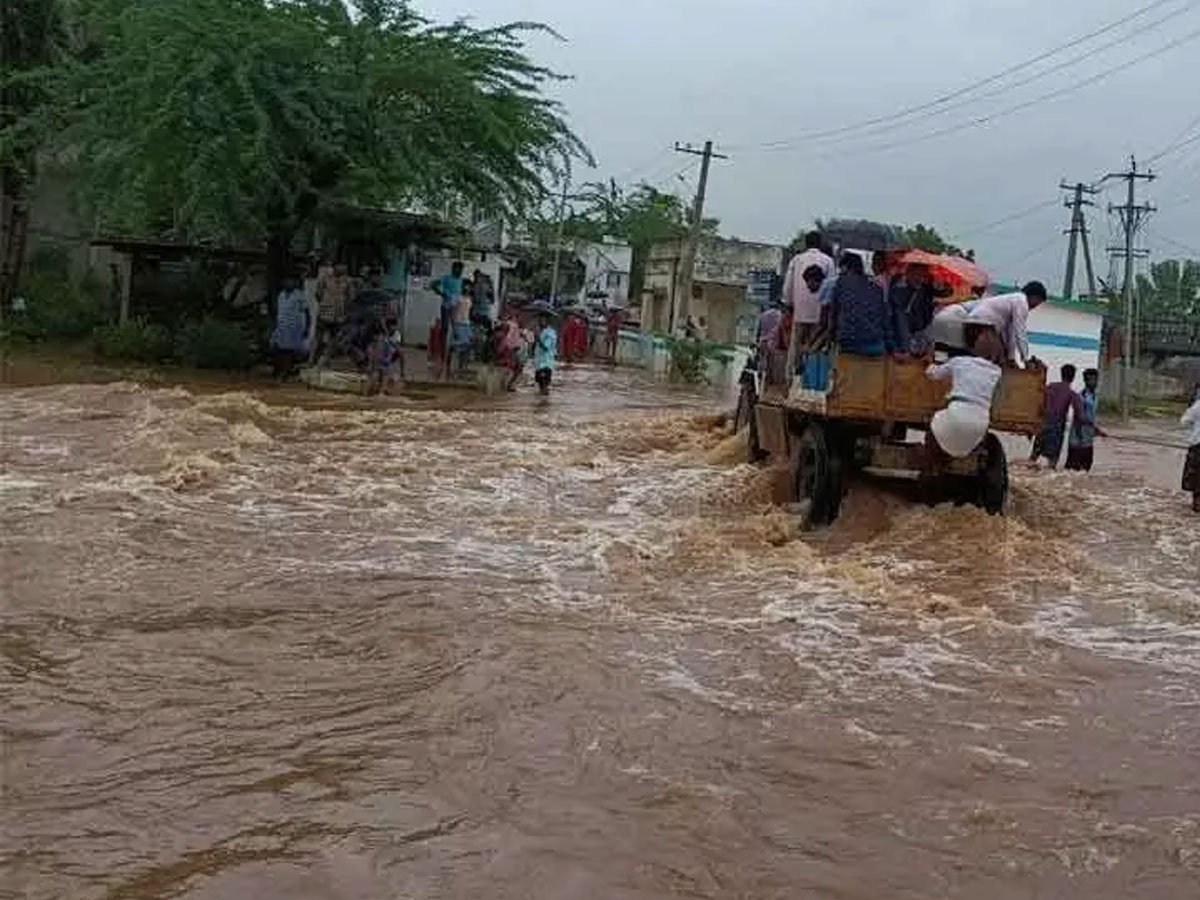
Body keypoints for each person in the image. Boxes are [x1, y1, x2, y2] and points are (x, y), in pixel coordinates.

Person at [924, 325, 1004, 461]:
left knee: (934, 424)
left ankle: (934, 462)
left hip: (958, 412)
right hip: (981, 421)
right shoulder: (997, 372)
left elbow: (932, 374)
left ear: (974, 347)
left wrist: (930, 360)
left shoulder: (959, 362)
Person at [930, 280, 1047, 366]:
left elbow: (1011, 334)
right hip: (982, 325)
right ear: (1034, 296)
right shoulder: (1021, 300)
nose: (1035, 306)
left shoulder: (1011, 300)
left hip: (975, 324)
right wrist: (1025, 359)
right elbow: (1019, 330)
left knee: (984, 359)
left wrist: (1012, 358)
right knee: (992, 362)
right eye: (1038, 302)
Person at [826, 251, 901, 357]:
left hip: (848, 343)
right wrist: (892, 348)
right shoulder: (876, 288)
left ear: (846, 267)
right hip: (875, 345)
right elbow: (885, 321)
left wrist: (829, 339)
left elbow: (833, 315)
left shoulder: (841, 283)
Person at [782, 231, 835, 366]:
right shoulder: (828, 261)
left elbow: (788, 285)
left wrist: (788, 304)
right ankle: (812, 378)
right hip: (819, 314)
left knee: (795, 347)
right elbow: (831, 287)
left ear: (806, 244)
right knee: (815, 347)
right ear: (820, 244)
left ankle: (792, 376)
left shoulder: (796, 259)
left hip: (799, 312)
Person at [1032, 364, 1084, 470]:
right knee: (1052, 462)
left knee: (1033, 456)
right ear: (1073, 377)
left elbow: (1039, 404)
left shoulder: (1050, 387)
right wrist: (1079, 433)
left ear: (1061, 374)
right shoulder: (1071, 393)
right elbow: (1079, 415)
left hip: (1043, 424)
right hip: (1057, 427)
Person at [1065, 367, 1105, 471]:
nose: (1093, 382)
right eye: (1090, 380)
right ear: (1085, 381)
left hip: (1088, 440)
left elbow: (1089, 417)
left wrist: (1095, 430)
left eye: (1095, 380)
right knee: (1073, 470)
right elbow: (1079, 418)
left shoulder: (1094, 396)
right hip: (1078, 441)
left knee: (1086, 468)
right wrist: (1080, 440)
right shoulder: (1081, 396)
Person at [270, 276, 311, 378]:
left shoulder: (299, 295)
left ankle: (286, 372)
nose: (288, 283)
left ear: (295, 283)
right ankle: (280, 370)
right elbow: (278, 311)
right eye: (286, 281)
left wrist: (307, 327)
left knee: (289, 350)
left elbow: (307, 312)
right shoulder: (281, 295)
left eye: (290, 281)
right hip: (281, 325)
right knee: (277, 348)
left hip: (294, 326)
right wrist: (274, 326)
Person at [431, 261, 465, 364]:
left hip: (456, 307)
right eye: (458, 269)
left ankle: (453, 353)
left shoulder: (461, 280)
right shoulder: (447, 278)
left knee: (457, 330)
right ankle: (442, 352)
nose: (460, 271)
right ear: (453, 269)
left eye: (461, 269)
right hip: (446, 307)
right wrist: (441, 294)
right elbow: (433, 284)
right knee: (444, 329)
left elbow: (462, 293)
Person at [756, 300, 786, 384]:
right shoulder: (781, 315)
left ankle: (760, 377)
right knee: (772, 363)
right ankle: (769, 381)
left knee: (762, 359)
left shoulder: (763, 315)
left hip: (763, 341)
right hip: (773, 342)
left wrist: (757, 341)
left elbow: (759, 330)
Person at [1181, 385, 1200, 513]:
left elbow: (1185, 421)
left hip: (1198, 445)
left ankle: (1197, 503)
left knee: (1196, 476)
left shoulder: (1198, 405)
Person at [533, 313, 558, 396]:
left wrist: (538, 338)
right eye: (540, 320)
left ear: (547, 321)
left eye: (543, 320)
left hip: (546, 363)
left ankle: (544, 404)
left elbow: (546, 347)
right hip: (539, 362)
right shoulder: (542, 331)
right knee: (540, 384)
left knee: (544, 385)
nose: (540, 322)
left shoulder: (550, 333)